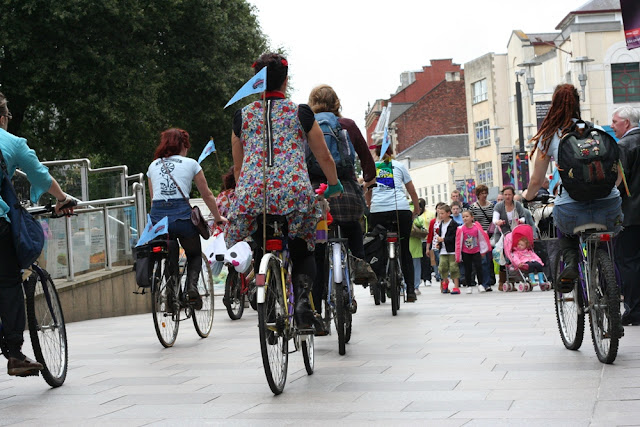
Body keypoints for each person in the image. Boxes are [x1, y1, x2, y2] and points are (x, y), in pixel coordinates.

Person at [226, 53, 342, 329]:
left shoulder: (241, 116)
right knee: (303, 249)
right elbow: (324, 156)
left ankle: (263, 292)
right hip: (293, 192)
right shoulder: (301, 113)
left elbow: (238, 168)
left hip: (253, 193)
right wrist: (334, 184)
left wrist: (245, 193)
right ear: (285, 80)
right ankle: (302, 304)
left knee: (260, 240)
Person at [0, 92, 75, 376]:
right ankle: (15, 354)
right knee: (8, 282)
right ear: (2, 117)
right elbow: (40, 175)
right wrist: (62, 198)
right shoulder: (12, 142)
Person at [522, 84, 623, 293]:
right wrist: (606, 190)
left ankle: (570, 263)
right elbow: (618, 172)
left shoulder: (549, 136)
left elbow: (536, 180)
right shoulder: (597, 130)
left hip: (572, 207)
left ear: (554, 105)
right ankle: (613, 290)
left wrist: (527, 196)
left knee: (564, 230)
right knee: (606, 247)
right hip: (608, 204)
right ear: (578, 103)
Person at [306, 84, 376, 316]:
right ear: (336, 102)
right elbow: (367, 161)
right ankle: (360, 262)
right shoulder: (348, 125)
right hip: (345, 191)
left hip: (317, 193)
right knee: (353, 223)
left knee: (318, 253)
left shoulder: (306, 125)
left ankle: (316, 312)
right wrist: (368, 180)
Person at [147, 128, 227, 310]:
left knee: (170, 254)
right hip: (183, 218)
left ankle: (171, 296)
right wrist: (217, 217)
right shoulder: (191, 164)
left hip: (159, 220)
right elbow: (207, 195)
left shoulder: (153, 166)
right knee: (194, 254)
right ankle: (191, 288)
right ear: (183, 145)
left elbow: (153, 200)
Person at [366, 143, 420, 302]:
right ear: (391, 152)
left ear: (376, 154)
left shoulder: (373, 167)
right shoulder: (399, 166)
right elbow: (411, 190)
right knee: (404, 249)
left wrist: (370, 206)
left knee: (378, 245)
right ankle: (411, 290)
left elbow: (368, 191)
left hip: (378, 212)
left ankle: (380, 277)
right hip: (400, 211)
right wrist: (416, 209)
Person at [611, 106, 640, 326]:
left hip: (632, 215)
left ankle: (634, 310)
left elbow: (619, 182)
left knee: (629, 262)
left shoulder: (623, 146)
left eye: (615, 122)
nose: (612, 126)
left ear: (626, 123)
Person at [455, 210, 491, 294]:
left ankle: (480, 284)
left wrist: (483, 250)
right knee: (468, 269)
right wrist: (458, 255)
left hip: (476, 251)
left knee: (479, 268)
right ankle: (469, 285)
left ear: (472, 217)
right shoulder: (461, 229)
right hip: (466, 252)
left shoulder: (476, 227)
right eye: (463, 217)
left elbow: (481, 239)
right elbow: (458, 242)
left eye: (467, 216)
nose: (465, 218)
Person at [469, 184, 495, 291]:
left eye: (485, 193)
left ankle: (488, 281)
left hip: (489, 235)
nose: (484, 195)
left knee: (488, 259)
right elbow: (472, 222)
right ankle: (484, 282)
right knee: (482, 260)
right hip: (478, 236)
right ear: (478, 195)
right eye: (481, 193)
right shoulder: (473, 207)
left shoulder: (491, 206)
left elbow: (494, 220)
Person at [436, 205, 460, 294]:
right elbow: (441, 235)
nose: (440, 215)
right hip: (443, 250)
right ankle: (445, 282)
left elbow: (454, 237)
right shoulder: (441, 224)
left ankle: (456, 286)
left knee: (453, 268)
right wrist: (439, 243)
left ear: (448, 213)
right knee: (442, 267)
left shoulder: (453, 224)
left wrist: (444, 240)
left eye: (442, 213)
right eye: (439, 213)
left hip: (452, 250)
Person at [409, 200, 428, 295]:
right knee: (416, 267)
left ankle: (404, 286)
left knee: (404, 266)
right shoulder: (414, 210)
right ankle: (415, 287)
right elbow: (420, 223)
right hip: (415, 244)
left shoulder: (402, 209)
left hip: (404, 243)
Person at [426, 202, 446, 283]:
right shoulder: (433, 222)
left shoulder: (446, 221)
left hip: (445, 244)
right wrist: (428, 248)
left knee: (443, 261)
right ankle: (439, 275)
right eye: (438, 208)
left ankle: (442, 276)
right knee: (437, 260)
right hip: (435, 244)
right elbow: (430, 235)